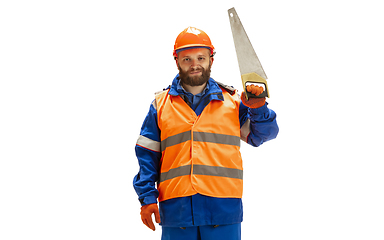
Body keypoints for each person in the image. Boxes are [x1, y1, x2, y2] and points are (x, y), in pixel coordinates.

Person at [133, 26, 279, 240]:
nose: (195, 65)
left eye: (201, 58)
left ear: (211, 59)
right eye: (187, 59)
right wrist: (147, 198)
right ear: (177, 61)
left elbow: (262, 136)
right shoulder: (160, 105)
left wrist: (258, 108)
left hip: (223, 211)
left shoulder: (233, 102)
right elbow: (147, 155)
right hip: (177, 212)